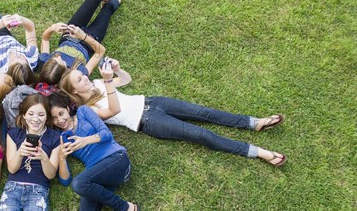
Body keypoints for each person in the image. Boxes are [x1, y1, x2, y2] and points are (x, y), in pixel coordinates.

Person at [58, 57, 288, 166]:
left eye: (82, 74)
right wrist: (108, 82)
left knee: (205, 112)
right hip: (147, 121)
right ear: (74, 91)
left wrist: (118, 70)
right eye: (80, 79)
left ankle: (254, 123)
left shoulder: (98, 82)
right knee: (200, 135)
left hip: (153, 101)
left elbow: (126, 80)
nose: (85, 77)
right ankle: (258, 152)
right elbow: (114, 109)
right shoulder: (88, 109)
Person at [37, 0, 134, 86]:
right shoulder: (79, 74)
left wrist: (53, 28)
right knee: (108, 9)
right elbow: (100, 52)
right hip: (90, 41)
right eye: (59, 60)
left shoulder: (45, 63)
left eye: (54, 57)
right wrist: (83, 36)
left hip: (70, 31)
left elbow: (45, 38)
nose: (57, 56)